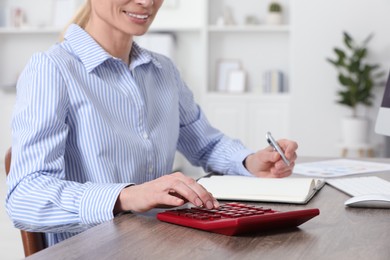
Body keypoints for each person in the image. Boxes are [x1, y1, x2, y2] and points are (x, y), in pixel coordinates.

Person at [6, 0, 298, 247]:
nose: (147, 2)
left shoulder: (163, 71)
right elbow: (25, 197)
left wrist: (249, 161)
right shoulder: (52, 69)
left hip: (157, 243)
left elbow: (205, 143)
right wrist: (126, 196)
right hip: (91, 250)